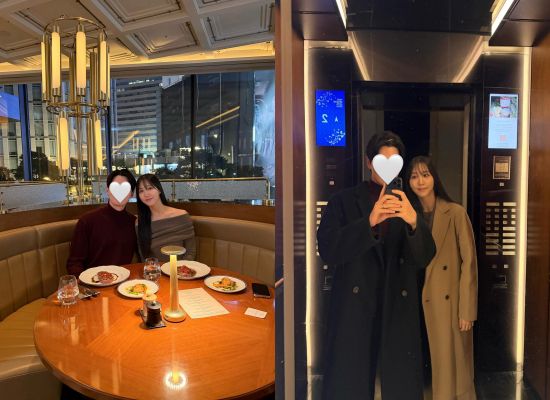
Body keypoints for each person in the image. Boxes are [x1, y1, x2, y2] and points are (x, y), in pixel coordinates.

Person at [317, 131, 436, 400]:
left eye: (395, 161)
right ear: (369, 162)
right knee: (351, 383)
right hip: (355, 307)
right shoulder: (342, 201)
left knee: (399, 385)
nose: (388, 167)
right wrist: (369, 222)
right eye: (382, 160)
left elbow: (426, 257)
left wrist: (414, 223)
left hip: (397, 308)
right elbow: (328, 249)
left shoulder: (409, 204)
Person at [405, 156, 477, 400]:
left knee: (453, 372)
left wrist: (467, 309)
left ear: (434, 178)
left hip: (448, 305)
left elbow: (469, 263)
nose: (420, 181)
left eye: (425, 175)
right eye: (414, 176)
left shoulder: (455, 213)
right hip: (416, 302)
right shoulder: (408, 215)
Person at [67, 169, 138, 276]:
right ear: (107, 190)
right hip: (93, 282)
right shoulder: (87, 221)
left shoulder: (133, 222)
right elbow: (74, 263)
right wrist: (85, 282)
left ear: (131, 194)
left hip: (123, 281)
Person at [136, 173, 196, 262]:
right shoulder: (140, 222)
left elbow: (190, 252)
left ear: (159, 190)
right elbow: (143, 255)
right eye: (141, 191)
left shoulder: (181, 216)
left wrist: (180, 269)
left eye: (150, 188)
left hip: (180, 268)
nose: (146, 194)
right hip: (155, 269)